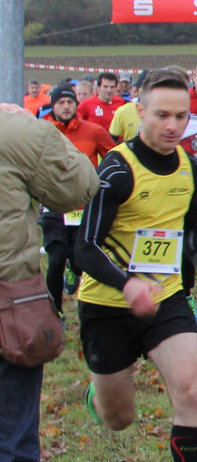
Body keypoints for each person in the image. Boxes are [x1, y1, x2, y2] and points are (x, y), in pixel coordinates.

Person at [75, 70, 197, 462]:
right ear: (139, 112)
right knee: (119, 418)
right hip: (107, 305)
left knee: (190, 389)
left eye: (181, 116)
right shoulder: (116, 169)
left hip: (166, 297)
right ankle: (99, 394)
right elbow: (85, 247)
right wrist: (127, 284)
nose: (172, 125)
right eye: (162, 115)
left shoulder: (189, 164)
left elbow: (193, 230)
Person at [0, 104, 98, 462]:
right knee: (11, 448)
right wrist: (38, 133)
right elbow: (80, 186)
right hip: (7, 311)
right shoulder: (12, 129)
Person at [40, 83, 116, 313]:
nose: (66, 106)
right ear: (53, 106)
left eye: (70, 102)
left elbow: (115, 159)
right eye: (61, 103)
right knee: (56, 259)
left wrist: (103, 183)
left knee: (78, 257)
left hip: (83, 206)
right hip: (53, 204)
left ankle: (75, 272)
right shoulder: (41, 131)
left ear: (76, 105)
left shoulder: (94, 131)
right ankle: (55, 311)